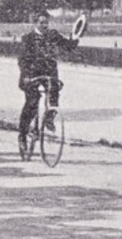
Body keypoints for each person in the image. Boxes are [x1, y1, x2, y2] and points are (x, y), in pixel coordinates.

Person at [17, 10, 79, 145]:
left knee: (54, 92)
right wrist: (26, 75)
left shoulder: (53, 35)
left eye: (46, 22)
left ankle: (49, 118)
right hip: (31, 74)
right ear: (35, 23)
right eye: (41, 22)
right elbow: (22, 59)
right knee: (32, 102)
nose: (44, 25)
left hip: (49, 71)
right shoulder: (27, 38)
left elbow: (68, 46)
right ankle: (22, 135)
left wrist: (75, 38)